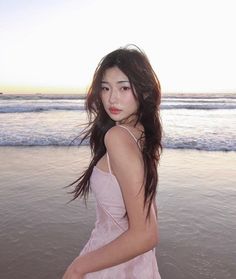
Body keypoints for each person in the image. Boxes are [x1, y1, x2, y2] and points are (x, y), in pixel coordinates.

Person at [62, 45, 162, 279]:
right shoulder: (143, 135)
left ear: (145, 91)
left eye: (124, 87)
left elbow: (147, 234)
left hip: (110, 265)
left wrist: (78, 267)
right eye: (105, 88)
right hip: (133, 262)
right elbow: (151, 213)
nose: (112, 98)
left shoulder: (117, 137)